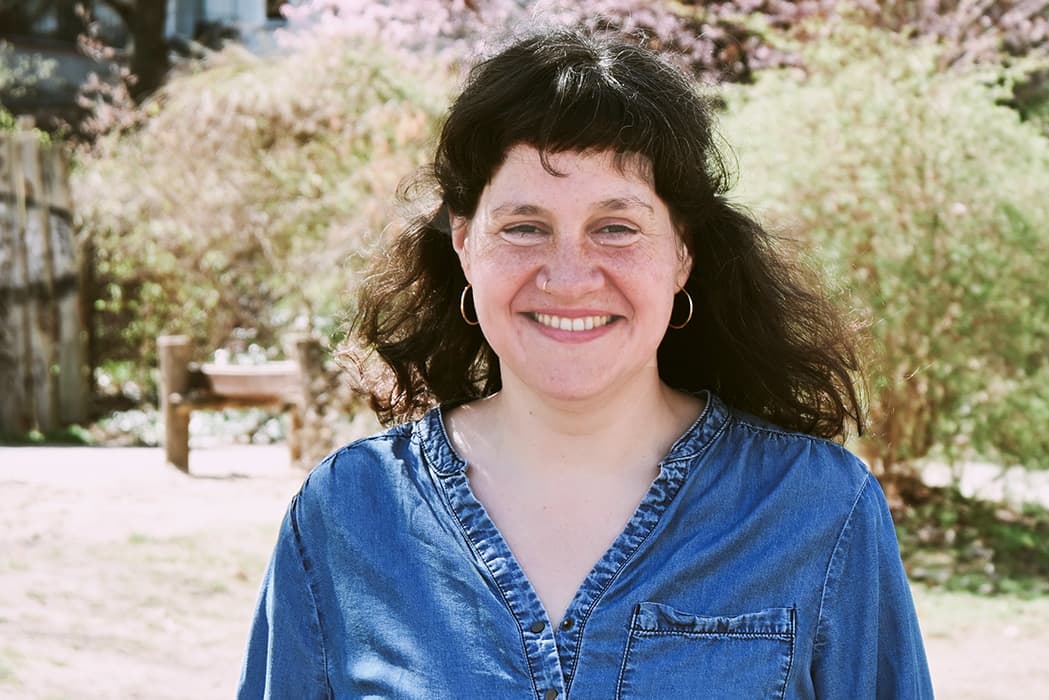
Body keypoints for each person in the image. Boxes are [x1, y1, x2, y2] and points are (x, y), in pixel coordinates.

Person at [239, 25, 934, 699]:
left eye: (616, 228)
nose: (569, 277)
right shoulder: (347, 514)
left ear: (682, 252)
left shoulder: (817, 512)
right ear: (465, 246)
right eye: (523, 228)